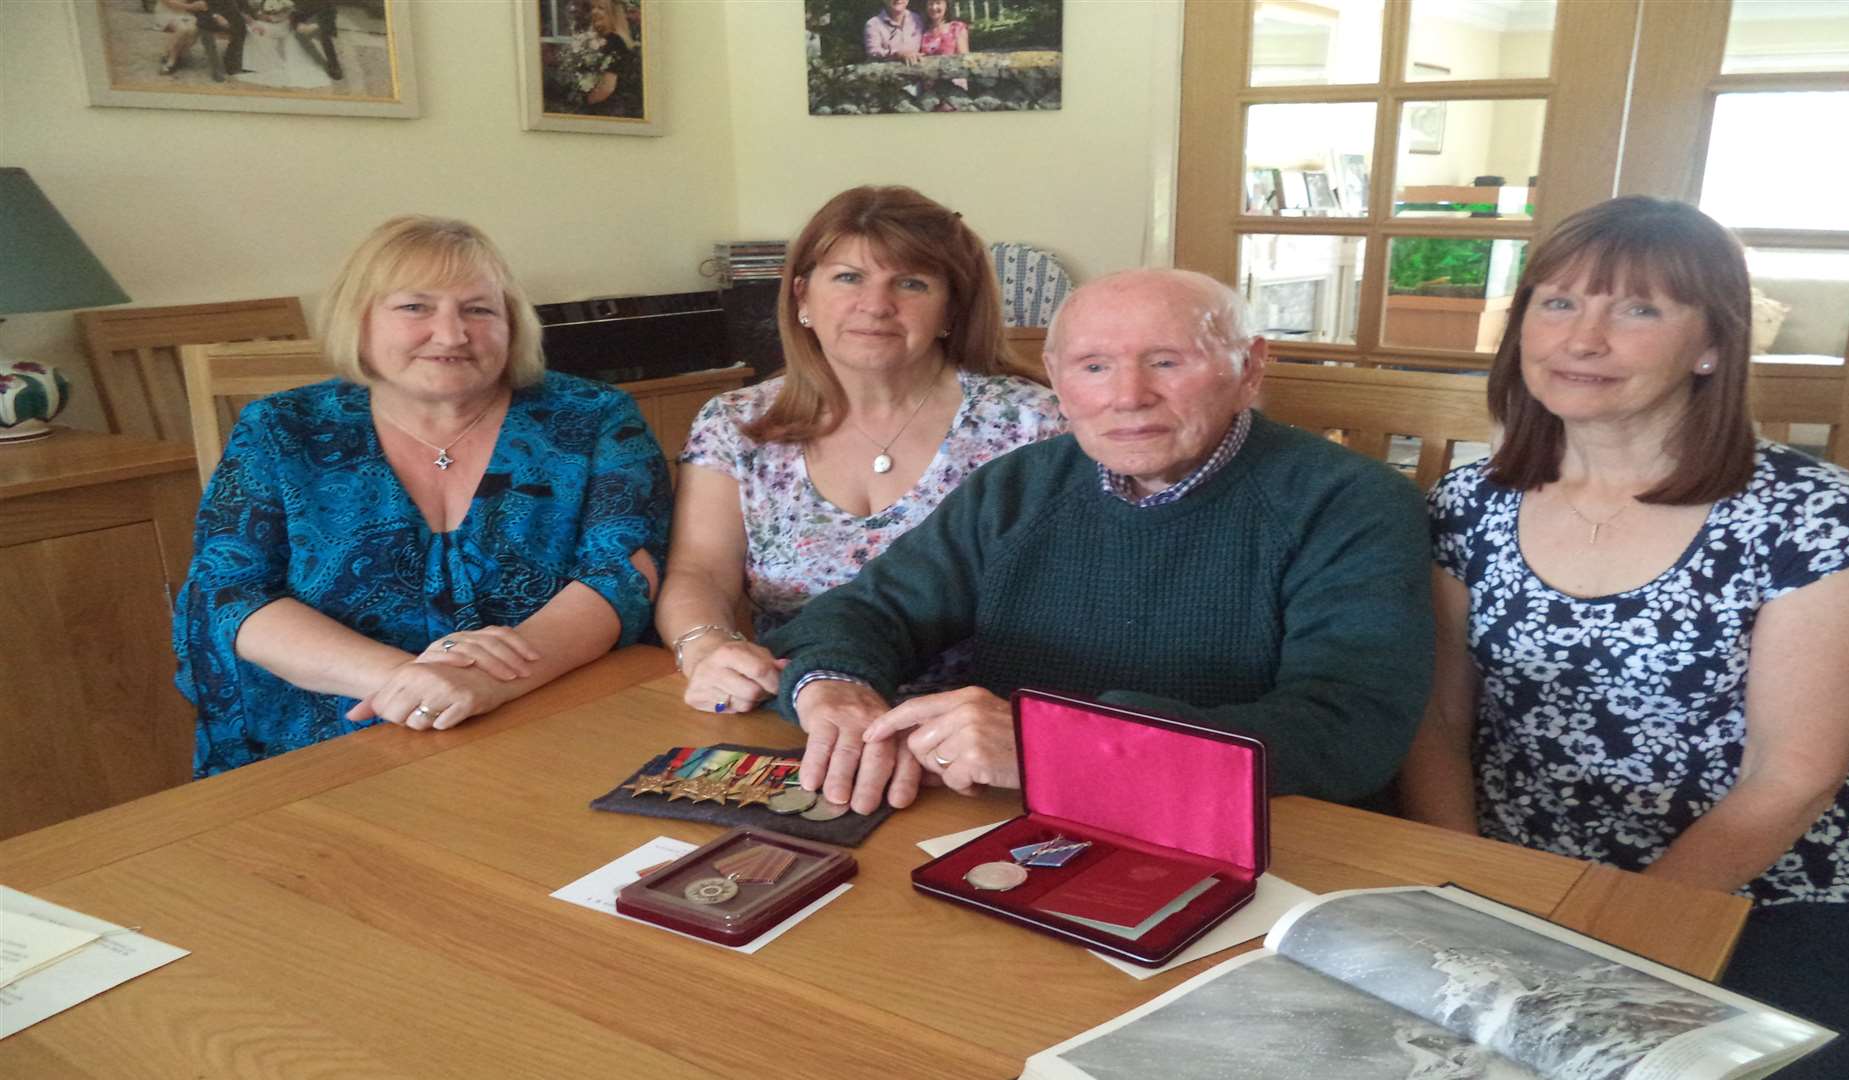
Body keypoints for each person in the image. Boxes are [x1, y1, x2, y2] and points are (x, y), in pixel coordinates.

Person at [1400, 196, 1849, 1079]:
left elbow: (1791, 778)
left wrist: (1615, 933)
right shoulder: (1469, 503)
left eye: (1638, 309)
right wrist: (1469, 891)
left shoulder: (1810, 516)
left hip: (1765, 897)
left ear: (1712, 345)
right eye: (1557, 304)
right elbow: (1437, 722)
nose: (1582, 340)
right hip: (1518, 878)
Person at [761, 268, 1434, 816]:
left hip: (1252, 833)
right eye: (1093, 367)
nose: (1128, 396)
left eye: (1167, 362)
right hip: (1009, 817)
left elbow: (1347, 732)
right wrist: (833, 685)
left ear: (1249, 369)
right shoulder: (1020, 486)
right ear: (1056, 378)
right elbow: (868, 612)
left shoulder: (1351, 502)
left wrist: (1068, 748)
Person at [174, 215, 672, 777]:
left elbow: (624, 573)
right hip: (333, 737)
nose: (452, 333)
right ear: (358, 320)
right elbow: (228, 592)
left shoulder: (593, 418)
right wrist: (401, 680)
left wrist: (486, 682)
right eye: (415, 307)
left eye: (479, 309)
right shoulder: (281, 428)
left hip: (549, 711)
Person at [655, 185, 1062, 717]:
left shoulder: (1037, 423)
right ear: (802, 296)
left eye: (911, 283)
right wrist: (707, 647)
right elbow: (700, 570)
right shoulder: (736, 424)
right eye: (848, 277)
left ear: (951, 308)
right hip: (792, 711)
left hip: (975, 727)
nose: (875, 305)